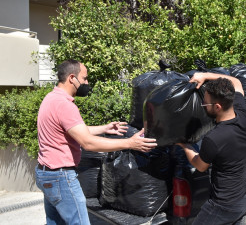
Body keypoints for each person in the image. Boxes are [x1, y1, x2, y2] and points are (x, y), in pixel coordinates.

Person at [35, 59, 157, 225]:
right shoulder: (64, 105)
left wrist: (105, 128)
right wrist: (130, 143)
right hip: (61, 177)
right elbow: (88, 143)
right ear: (72, 78)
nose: (87, 82)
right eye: (84, 78)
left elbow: (75, 131)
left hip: (45, 174)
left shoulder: (51, 98)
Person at [177, 72, 246, 225]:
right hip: (245, 196)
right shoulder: (242, 115)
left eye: (205, 103)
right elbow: (236, 82)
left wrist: (184, 146)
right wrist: (205, 75)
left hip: (224, 205)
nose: (203, 106)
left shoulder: (214, 138)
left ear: (217, 107)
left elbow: (200, 166)